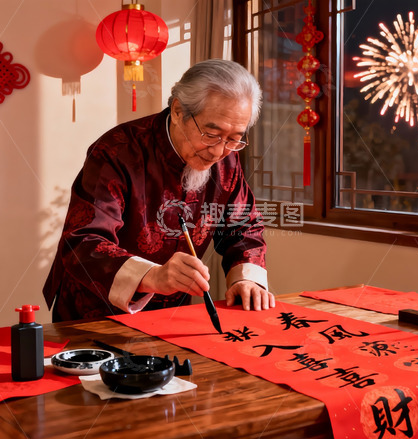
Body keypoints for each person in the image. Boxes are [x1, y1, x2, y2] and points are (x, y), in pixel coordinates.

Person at [43, 59, 276, 322]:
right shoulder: (117, 152)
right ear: (178, 110)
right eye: (211, 134)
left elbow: (243, 226)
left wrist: (246, 279)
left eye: (234, 138)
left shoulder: (226, 160)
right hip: (95, 312)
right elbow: (84, 241)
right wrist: (153, 277)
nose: (218, 151)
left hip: (172, 315)